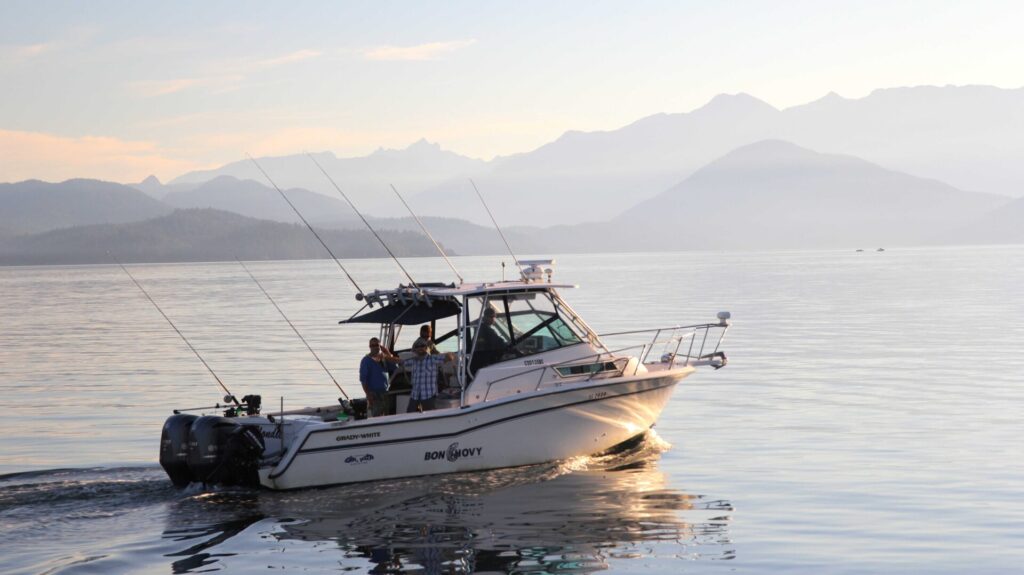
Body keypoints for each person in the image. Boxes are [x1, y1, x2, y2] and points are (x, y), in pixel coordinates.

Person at [401, 339, 454, 412]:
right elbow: (400, 362)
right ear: (414, 349)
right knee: (409, 414)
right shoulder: (413, 360)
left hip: (429, 395)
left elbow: (450, 357)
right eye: (417, 346)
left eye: (422, 346)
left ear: (426, 348)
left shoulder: (433, 358)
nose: (420, 348)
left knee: (430, 415)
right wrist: (386, 357)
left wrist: (438, 352)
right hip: (415, 395)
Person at [359, 337, 398, 417]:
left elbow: (395, 367)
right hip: (373, 394)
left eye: (377, 345)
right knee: (376, 416)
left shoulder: (384, 358)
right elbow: (363, 380)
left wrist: (387, 352)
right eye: (372, 345)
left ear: (380, 346)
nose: (375, 347)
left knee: (386, 415)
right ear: (369, 347)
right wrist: (368, 395)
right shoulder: (366, 361)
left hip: (385, 392)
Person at [471, 307, 508, 375]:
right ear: (485, 317)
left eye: (494, 317)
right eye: (491, 317)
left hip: (477, 363)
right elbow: (500, 343)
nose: (493, 319)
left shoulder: (479, 328)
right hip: (486, 364)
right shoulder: (487, 330)